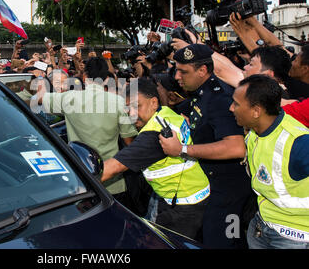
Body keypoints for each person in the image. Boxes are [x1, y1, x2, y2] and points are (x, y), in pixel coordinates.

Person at [159, 43, 252, 249]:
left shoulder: (220, 98)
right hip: (214, 187)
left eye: (183, 71)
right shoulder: (202, 93)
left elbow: (236, 147)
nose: (176, 77)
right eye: (176, 70)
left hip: (229, 194)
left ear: (202, 70)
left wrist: (181, 150)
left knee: (225, 241)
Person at [101, 77, 210, 239]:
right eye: (127, 109)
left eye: (136, 106)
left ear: (153, 102)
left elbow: (112, 168)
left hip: (181, 205)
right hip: (192, 192)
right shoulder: (165, 113)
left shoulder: (153, 135)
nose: (131, 114)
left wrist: (77, 181)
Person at [37, 57, 138, 201]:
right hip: (113, 181)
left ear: (84, 77)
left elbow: (40, 99)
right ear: (106, 78)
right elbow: (129, 143)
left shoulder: (69, 98)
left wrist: (41, 80)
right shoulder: (118, 102)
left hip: (81, 178)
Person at [229, 75, 309, 249]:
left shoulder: (298, 143)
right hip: (262, 225)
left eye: (236, 104)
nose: (231, 108)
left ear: (256, 111)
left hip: (294, 238)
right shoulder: (255, 132)